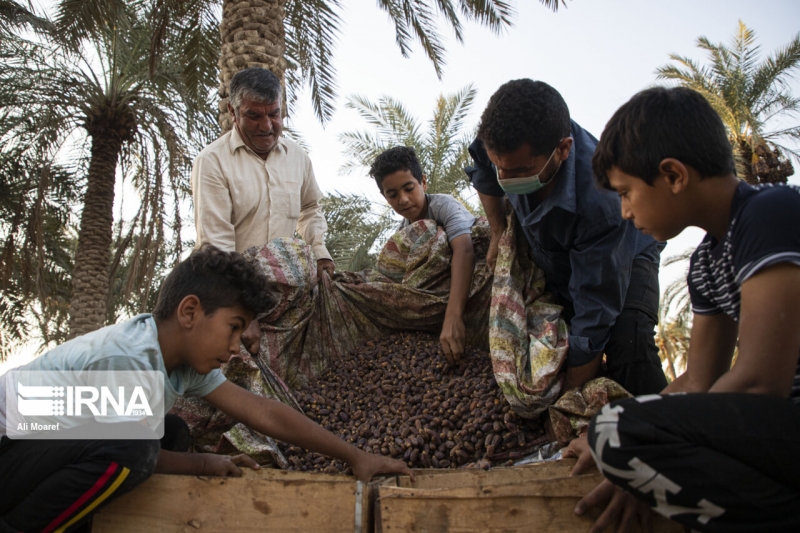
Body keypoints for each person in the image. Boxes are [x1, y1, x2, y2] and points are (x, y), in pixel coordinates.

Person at [0, 245, 413, 532]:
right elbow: (123, 447)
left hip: (48, 454)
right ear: (190, 312)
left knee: (173, 432)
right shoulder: (125, 356)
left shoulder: (181, 361)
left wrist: (356, 456)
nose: (236, 348)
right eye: (233, 328)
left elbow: (263, 412)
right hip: (11, 450)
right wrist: (202, 464)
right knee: (136, 445)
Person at [565, 86, 800, 532]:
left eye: (626, 192)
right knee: (613, 430)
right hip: (777, 441)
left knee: (613, 428)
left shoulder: (770, 213)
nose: (625, 212)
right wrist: (640, 462)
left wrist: (634, 442)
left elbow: (760, 380)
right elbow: (698, 378)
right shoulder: (707, 262)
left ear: (673, 175)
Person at [465, 79, 667, 396]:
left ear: (563, 149)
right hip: (552, 254)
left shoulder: (602, 206)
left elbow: (594, 310)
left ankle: (661, 434)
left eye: (520, 171)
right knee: (553, 338)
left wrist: (570, 399)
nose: (506, 179)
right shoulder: (499, 139)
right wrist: (497, 232)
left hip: (625, 255)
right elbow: (484, 172)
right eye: (500, 167)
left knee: (629, 349)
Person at [191, 67, 334, 281]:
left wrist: (319, 252)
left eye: (274, 114)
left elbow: (310, 208)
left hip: (287, 287)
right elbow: (217, 245)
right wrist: (240, 299)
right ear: (233, 111)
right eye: (254, 115)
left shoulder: (297, 157)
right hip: (231, 287)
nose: (267, 125)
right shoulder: (212, 162)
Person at [370, 146, 477, 363]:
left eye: (409, 188)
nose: (404, 200)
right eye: (393, 195)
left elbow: (465, 250)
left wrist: (453, 317)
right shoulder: (403, 234)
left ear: (423, 182)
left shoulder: (444, 206)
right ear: (385, 197)